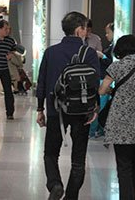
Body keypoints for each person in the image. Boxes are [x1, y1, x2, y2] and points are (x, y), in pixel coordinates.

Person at [36, 11, 100, 200]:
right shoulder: (88, 53)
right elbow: (94, 82)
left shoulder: (51, 52)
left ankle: (55, 184)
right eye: (85, 28)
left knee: (50, 154)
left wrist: (40, 109)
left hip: (56, 109)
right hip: (82, 111)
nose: (86, 32)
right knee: (78, 160)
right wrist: (94, 107)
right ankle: (71, 196)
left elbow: (42, 82)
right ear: (79, 29)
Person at [99, 35, 135, 200]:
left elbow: (102, 90)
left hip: (120, 126)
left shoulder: (117, 66)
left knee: (124, 167)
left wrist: (111, 91)